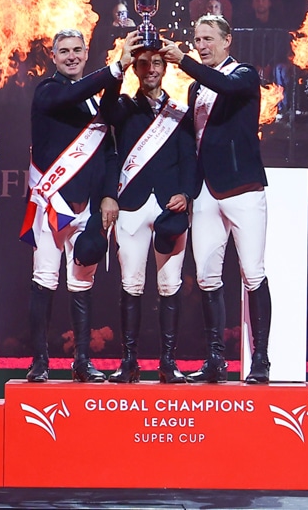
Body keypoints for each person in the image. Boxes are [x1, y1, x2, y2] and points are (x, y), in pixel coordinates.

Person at [158, 14, 272, 384]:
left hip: (243, 190)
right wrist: (188, 191)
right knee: (207, 276)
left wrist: (184, 61)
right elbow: (193, 143)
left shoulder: (244, 74)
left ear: (227, 42)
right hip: (207, 191)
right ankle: (215, 359)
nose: (201, 45)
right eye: (196, 40)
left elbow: (223, 85)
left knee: (252, 274)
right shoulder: (195, 89)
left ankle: (261, 360)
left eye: (208, 39)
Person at [22, 29, 122, 383]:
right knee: (44, 281)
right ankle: (40, 362)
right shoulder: (48, 91)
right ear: (53, 56)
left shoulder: (98, 103)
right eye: (63, 51)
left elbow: (111, 152)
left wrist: (110, 194)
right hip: (53, 203)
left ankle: (82, 361)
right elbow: (72, 94)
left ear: (85, 52)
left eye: (77, 50)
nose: (71, 56)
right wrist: (113, 71)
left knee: (82, 283)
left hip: (88, 205)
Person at [101, 38, 197, 384]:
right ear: (136, 70)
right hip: (132, 205)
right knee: (132, 284)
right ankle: (129, 361)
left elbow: (190, 159)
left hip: (170, 207)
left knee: (170, 285)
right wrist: (121, 63)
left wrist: (186, 194)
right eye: (143, 64)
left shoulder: (179, 113)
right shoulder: (124, 106)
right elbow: (106, 111)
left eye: (156, 63)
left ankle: (167, 362)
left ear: (166, 67)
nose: (151, 69)